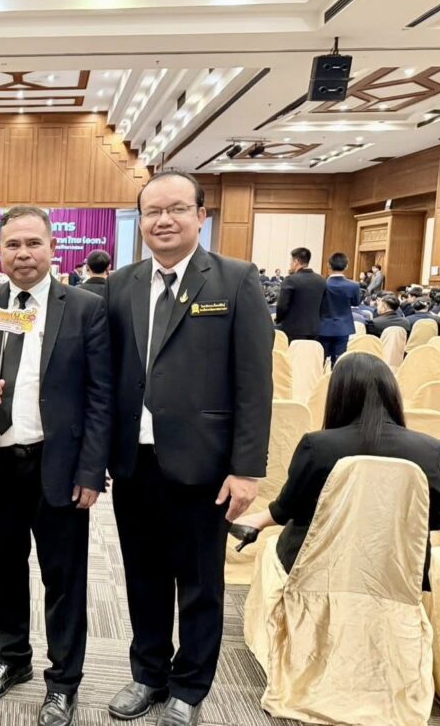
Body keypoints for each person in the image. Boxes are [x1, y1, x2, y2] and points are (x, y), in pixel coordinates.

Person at [104, 171, 272, 726]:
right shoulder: (122, 284)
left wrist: (246, 469)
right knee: (143, 576)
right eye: (152, 211)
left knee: (200, 584)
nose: (164, 220)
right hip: (134, 462)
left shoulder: (235, 280)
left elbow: (254, 383)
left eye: (177, 208)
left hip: (206, 465)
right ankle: (148, 674)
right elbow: (111, 373)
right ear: (140, 222)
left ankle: (190, 687)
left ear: (201, 215)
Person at [0, 206, 111, 726]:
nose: (23, 254)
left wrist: (91, 471)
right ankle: (12, 657)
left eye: (33, 244)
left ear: (52, 249)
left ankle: (63, 681)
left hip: (58, 465)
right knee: (5, 569)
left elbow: (100, 396)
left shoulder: (85, 308)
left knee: (63, 579)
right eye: (13, 245)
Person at [234, 353, 440, 590]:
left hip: (317, 573)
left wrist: (258, 520)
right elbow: (438, 519)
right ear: (392, 394)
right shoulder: (432, 450)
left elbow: (290, 507)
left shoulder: (317, 446)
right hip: (398, 575)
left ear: (338, 395)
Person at [274, 248, 326, 342]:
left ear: (296, 262)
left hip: (293, 329)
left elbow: (281, 306)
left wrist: (278, 320)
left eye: (291, 261)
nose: (290, 264)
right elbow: (324, 305)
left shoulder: (290, 280)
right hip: (315, 329)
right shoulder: (321, 280)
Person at [319, 252, 361, 365]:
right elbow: (356, 302)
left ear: (328, 265)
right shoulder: (354, 285)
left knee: (320, 360)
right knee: (339, 362)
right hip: (343, 327)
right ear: (346, 266)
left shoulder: (321, 284)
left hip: (323, 327)